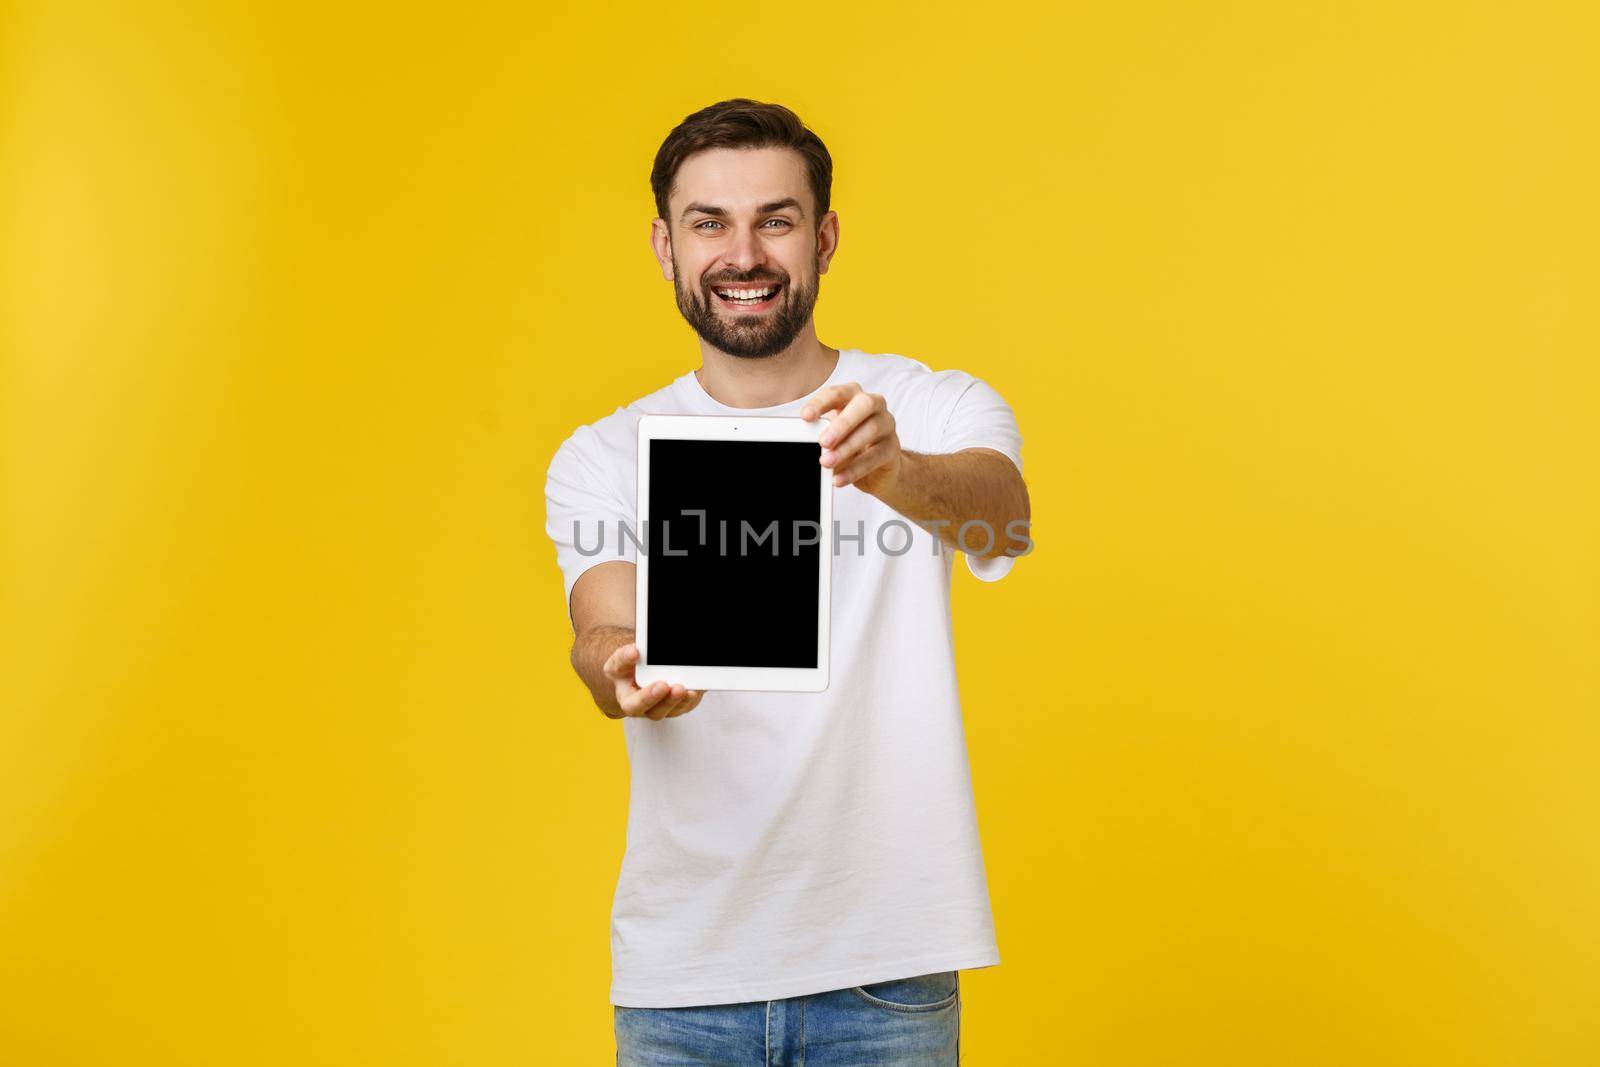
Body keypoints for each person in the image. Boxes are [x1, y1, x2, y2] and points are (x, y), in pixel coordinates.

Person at [543, 97, 1032, 1066]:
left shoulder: (929, 402)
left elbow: (1002, 516)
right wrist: (622, 669)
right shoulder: (604, 452)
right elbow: (599, 628)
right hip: (682, 972)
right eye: (708, 222)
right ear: (664, 243)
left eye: (775, 218)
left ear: (824, 235)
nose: (744, 253)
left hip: (884, 963)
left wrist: (895, 468)